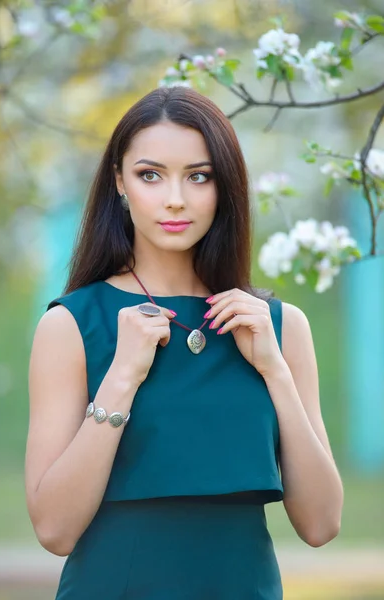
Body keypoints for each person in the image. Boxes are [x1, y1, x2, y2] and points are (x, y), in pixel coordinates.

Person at [25, 86, 344, 599]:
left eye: (199, 176)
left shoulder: (279, 328)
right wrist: (122, 377)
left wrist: (275, 371)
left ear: (225, 187)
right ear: (120, 184)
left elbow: (322, 524)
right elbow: (54, 530)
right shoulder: (71, 325)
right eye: (150, 175)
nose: (176, 198)